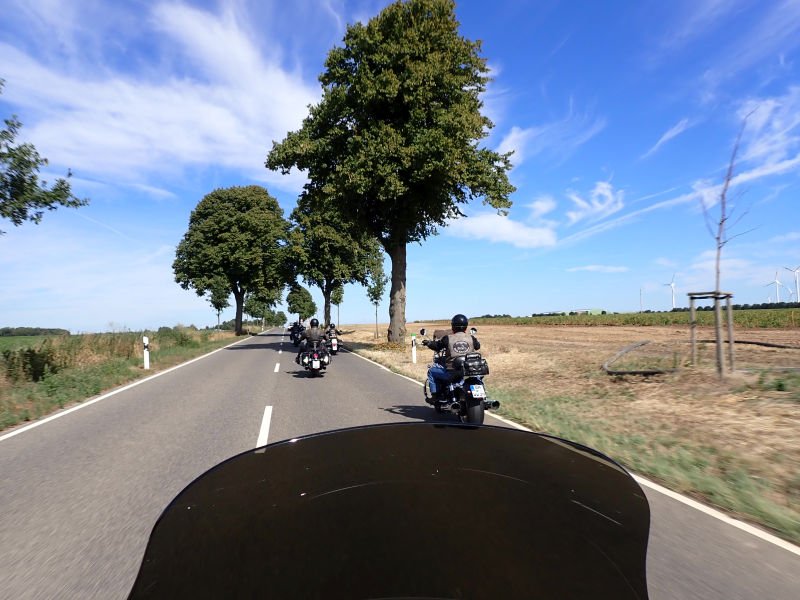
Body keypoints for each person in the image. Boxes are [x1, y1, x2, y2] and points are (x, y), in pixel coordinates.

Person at [422, 314, 480, 402]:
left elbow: (437, 346)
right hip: (470, 369)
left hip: (453, 371)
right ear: (466, 327)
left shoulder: (448, 338)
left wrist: (429, 343)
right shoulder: (471, 338)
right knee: (477, 377)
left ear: (453, 327)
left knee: (431, 371)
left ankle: (435, 396)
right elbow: (478, 346)